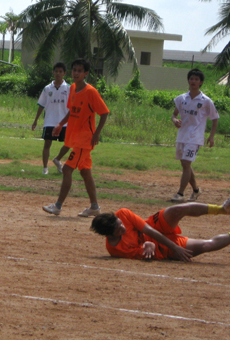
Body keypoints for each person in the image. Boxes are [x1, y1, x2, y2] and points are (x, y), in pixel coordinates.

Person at [42, 58, 109, 217]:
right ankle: (94, 207)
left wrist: (97, 133)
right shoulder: (72, 88)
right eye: (74, 70)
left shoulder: (91, 92)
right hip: (76, 138)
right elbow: (72, 111)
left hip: (85, 140)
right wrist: (60, 124)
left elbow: (104, 113)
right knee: (85, 172)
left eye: (80, 71)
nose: (76, 73)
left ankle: (58, 206)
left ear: (86, 73)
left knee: (66, 169)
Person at [90, 199, 230, 261]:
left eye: (121, 224)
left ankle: (222, 209)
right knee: (206, 245)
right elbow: (145, 253)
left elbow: (149, 230)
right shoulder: (116, 250)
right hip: (162, 249)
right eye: (119, 230)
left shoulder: (123, 213)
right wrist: (148, 247)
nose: (123, 228)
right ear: (109, 235)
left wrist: (175, 247)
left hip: (154, 227)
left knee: (176, 210)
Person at [170, 68, 219, 203]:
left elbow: (215, 118)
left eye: (196, 79)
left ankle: (180, 193)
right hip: (182, 135)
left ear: (201, 82)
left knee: (186, 163)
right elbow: (174, 114)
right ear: (188, 80)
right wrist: (175, 120)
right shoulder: (182, 98)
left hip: (195, 137)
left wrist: (211, 136)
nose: (193, 81)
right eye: (191, 78)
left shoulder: (206, 101)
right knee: (185, 165)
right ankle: (196, 190)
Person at [31, 62, 70, 175]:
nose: (58, 73)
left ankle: (57, 159)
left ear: (64, 73)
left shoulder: (69, 88)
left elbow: (73, 106)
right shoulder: (47, 88)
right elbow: (41, 105)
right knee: (47, 143)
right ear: (53, 72)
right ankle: (45, 168)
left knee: (68, 143)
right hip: (50, 121)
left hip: (64, 122)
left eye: (60, 71)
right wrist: (35, 120)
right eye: (56, 71)